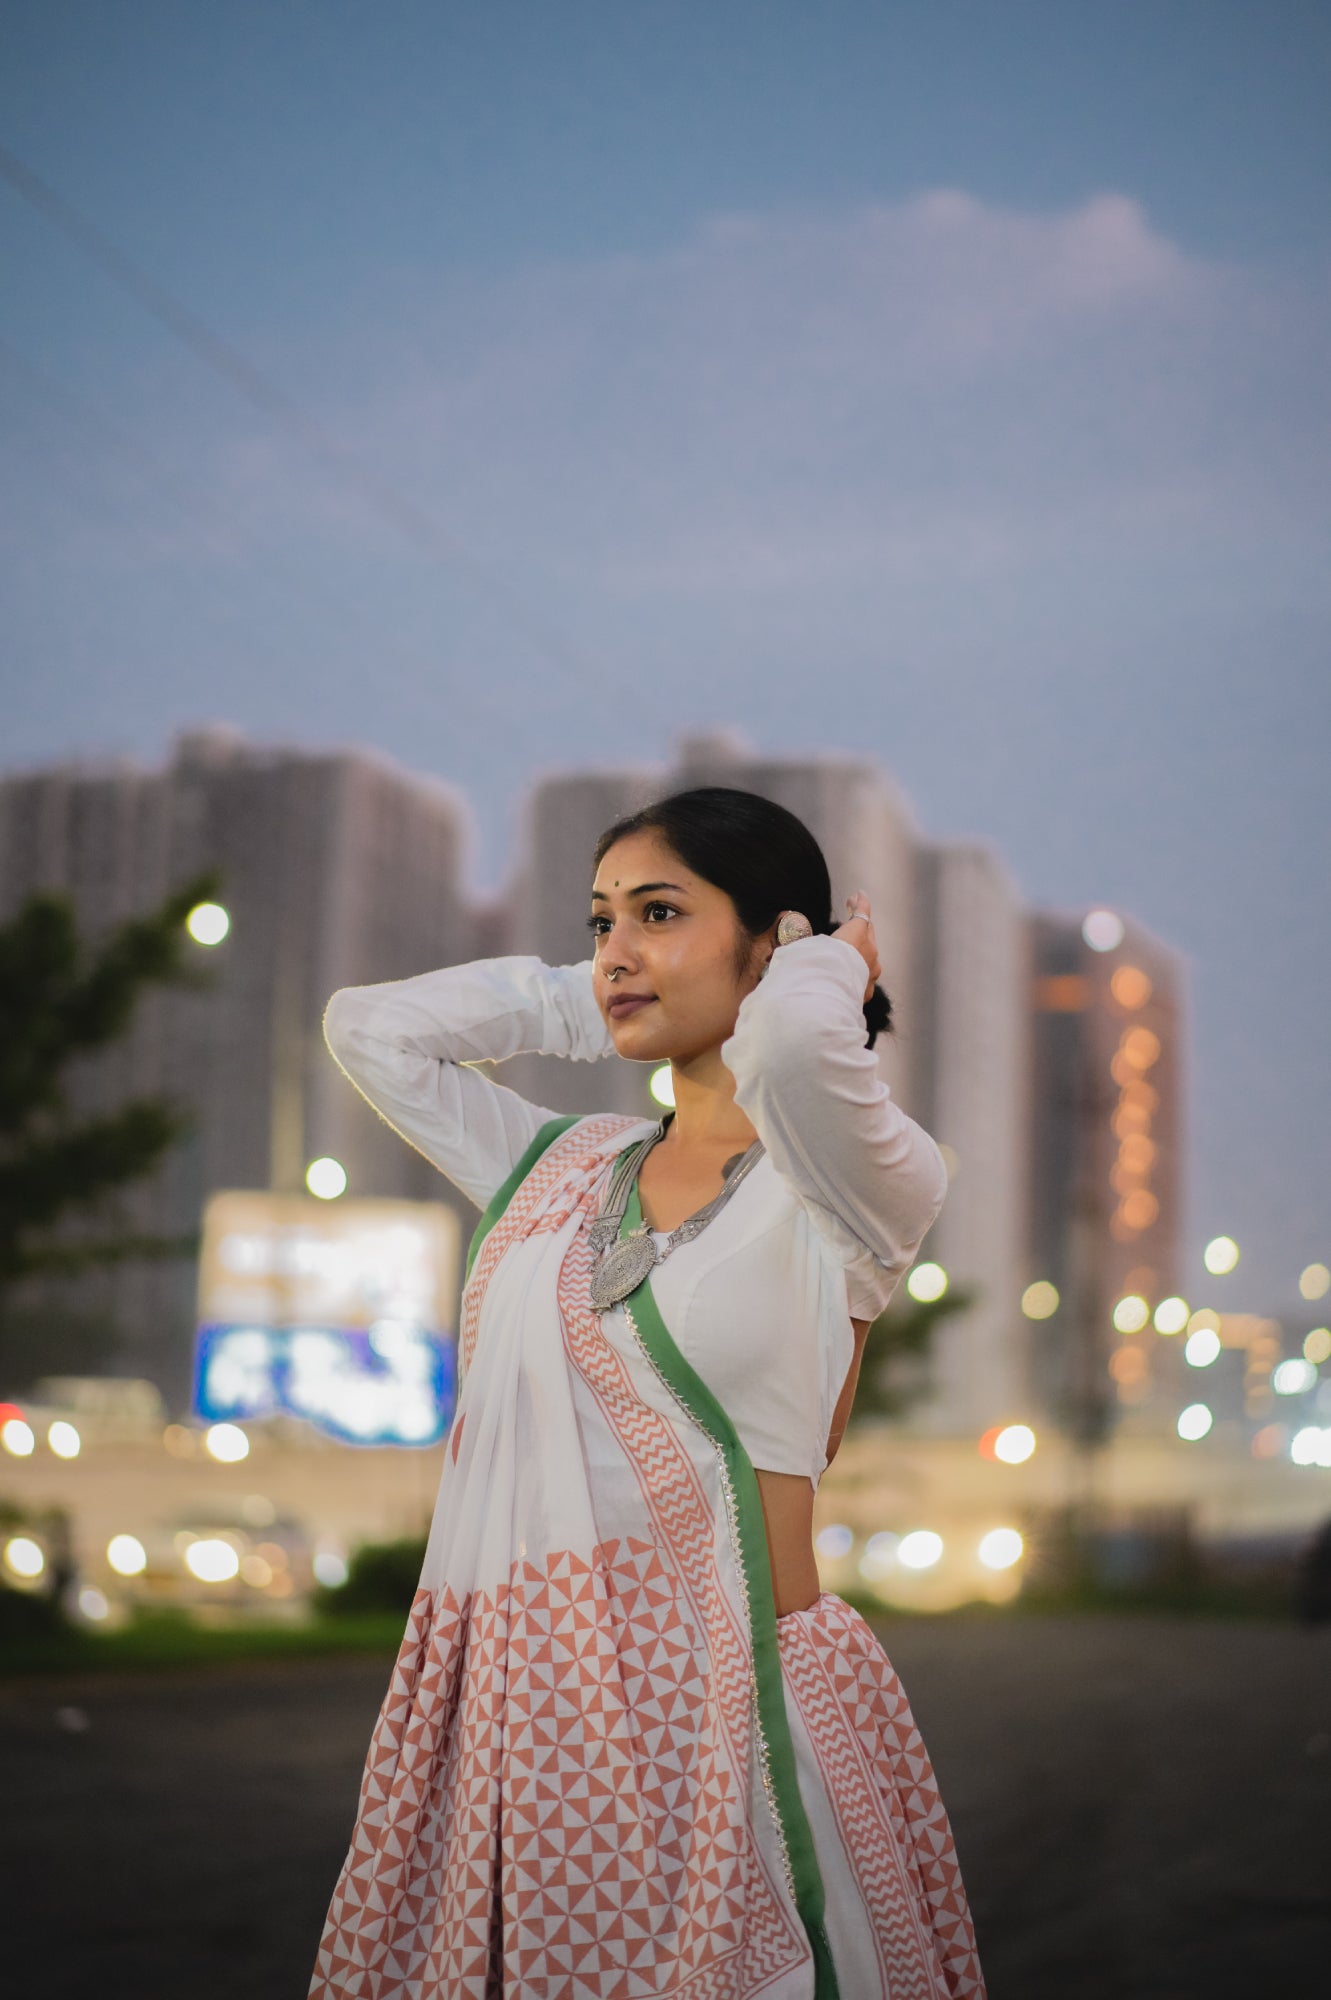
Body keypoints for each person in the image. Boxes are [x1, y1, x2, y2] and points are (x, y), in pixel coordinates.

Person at [308, 786, 985, 1999]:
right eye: (599, 920)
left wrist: (822, 969)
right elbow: (369, 1029)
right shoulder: (558, 1168)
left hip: (743, 1717)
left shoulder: (852, 1179)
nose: (614, 947)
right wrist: (601, 992)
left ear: (772, 945)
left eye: (659, 912)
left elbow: (788, 1054)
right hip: (538, 1734)